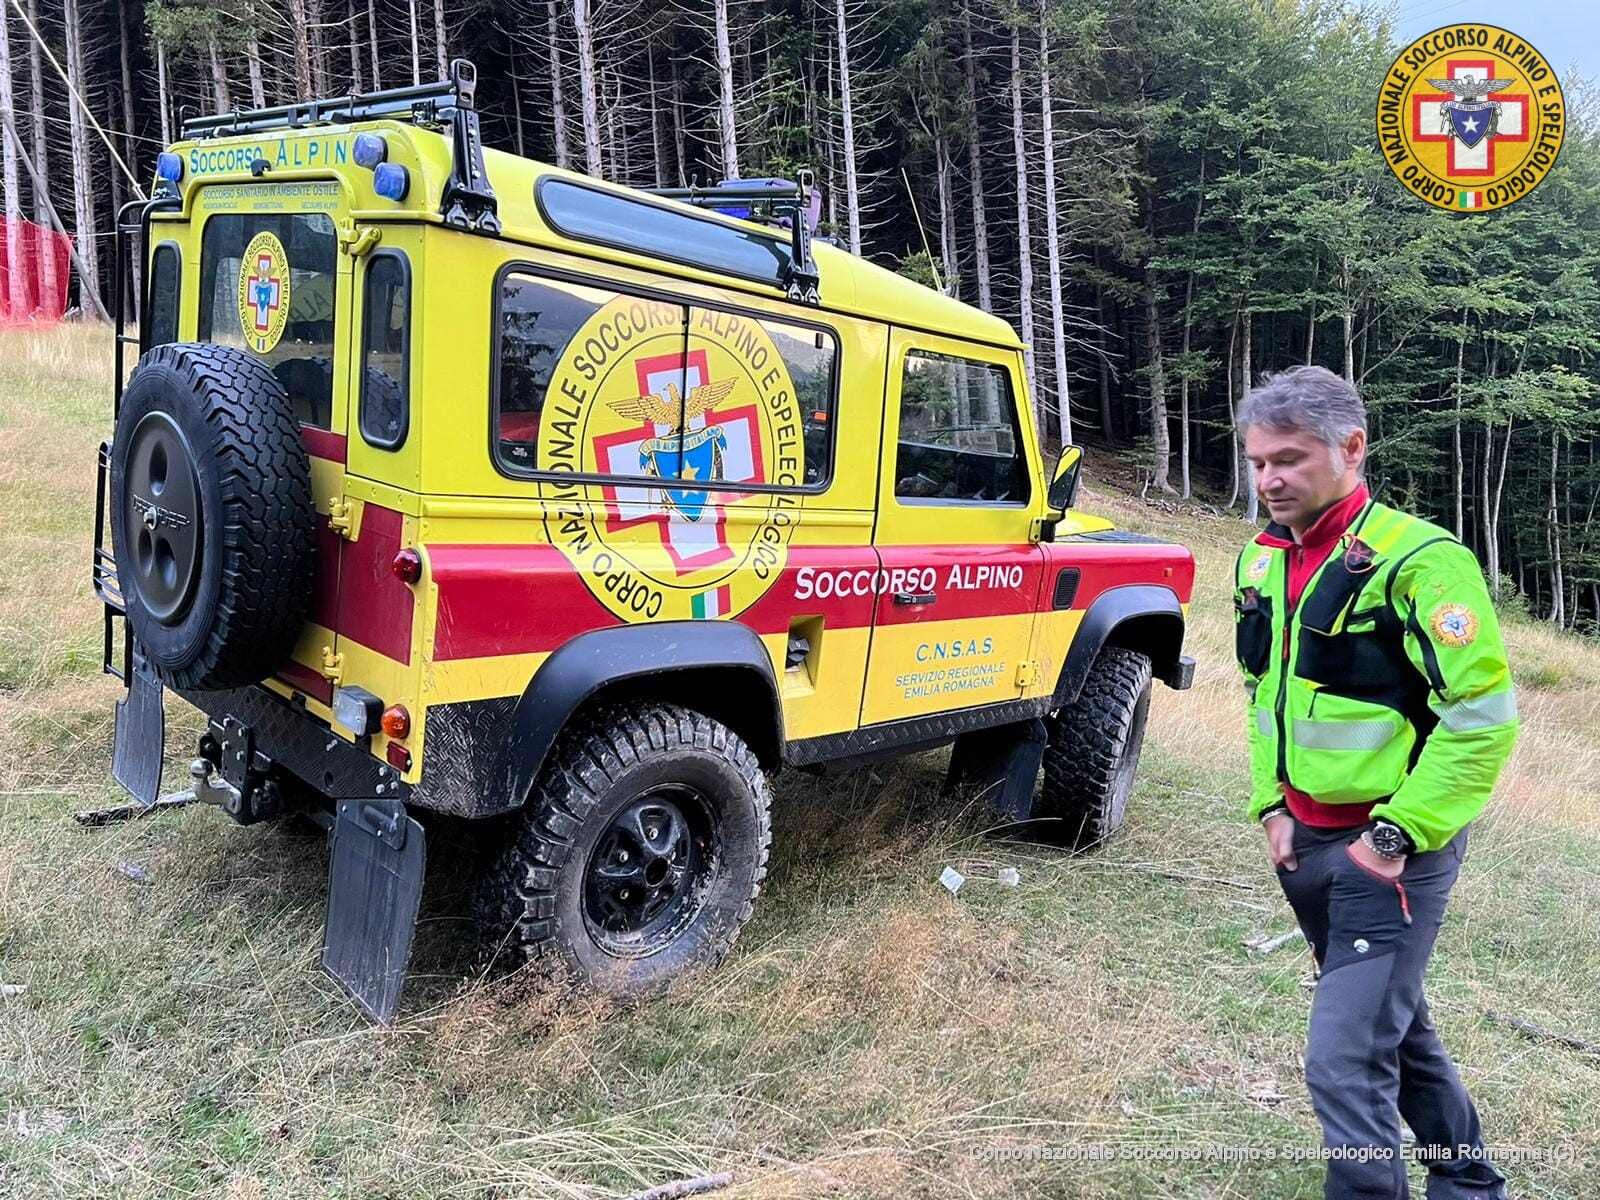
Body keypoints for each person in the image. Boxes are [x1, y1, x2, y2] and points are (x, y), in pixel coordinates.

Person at [1233, 366, 1518, 1199]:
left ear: (1351, 448)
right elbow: (1264, 693)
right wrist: (1271, 804)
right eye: (1257, 461)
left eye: (1289, 459)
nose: (1269, 480)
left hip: (1391, 850)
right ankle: (1468, 1186)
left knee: (1343, 1060)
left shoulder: (1423, 562)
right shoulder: (1260, 559)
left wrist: (1392, 839)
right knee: (1395, 1030)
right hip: (1309, 841)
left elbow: (1483, 716)